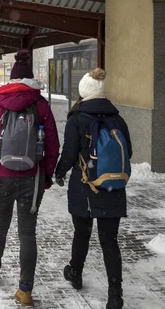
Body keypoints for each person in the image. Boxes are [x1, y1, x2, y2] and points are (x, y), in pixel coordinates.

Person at [0, 50, 60, 307]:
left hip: (2, 176)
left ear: (11, 80)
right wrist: (46, 175)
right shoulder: (42, 105)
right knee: (27, 233)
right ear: (31, 79)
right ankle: (25, 290)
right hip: (30, 179)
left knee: (0, 224)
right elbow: (54, 145)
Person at [54, 68, 132, 309]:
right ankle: (115, 294)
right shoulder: (117, 118)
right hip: (113, 186)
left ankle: (75, 272)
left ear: (83, 92)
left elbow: (68, 154)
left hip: (84, 185)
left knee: (82, 232)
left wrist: (59, 172)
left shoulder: (77, 119)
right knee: (110, 240)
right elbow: (128, 152)